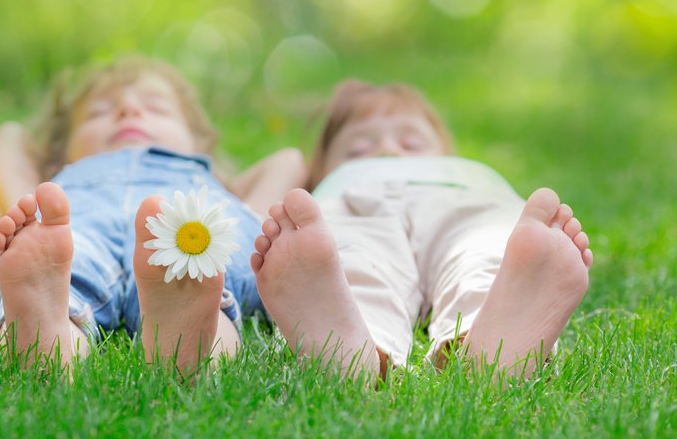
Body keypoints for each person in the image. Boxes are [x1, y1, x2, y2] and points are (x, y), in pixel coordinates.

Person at [250, 79, 594, 383]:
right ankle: (352, 351)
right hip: (356, 200)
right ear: (321, 173)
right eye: (358, 149)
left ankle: (489, 342)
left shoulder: (465, 172)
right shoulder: (333, 187)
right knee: (350, 257)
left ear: (445, 152)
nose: (387, 150)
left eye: (412, 143)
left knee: (486, 251)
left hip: (462, 202)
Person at [0, 56, 307, 374]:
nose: (128, 110)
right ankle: (46, 336)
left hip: (190, 229)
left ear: (196, 144)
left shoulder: (200, 172)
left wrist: (232, 197)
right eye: (99, 112)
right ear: (63, 152)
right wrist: (27, 216)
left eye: (157, 108)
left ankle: (194, 331)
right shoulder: (62, 182)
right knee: (67, 266)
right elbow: (8, 138)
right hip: (73, 228)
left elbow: (288, 160)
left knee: (202, 268)